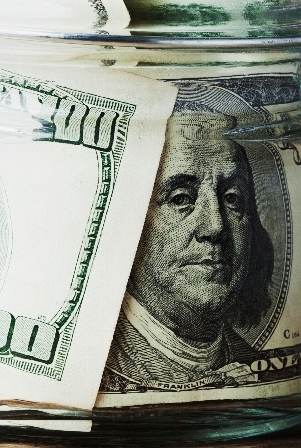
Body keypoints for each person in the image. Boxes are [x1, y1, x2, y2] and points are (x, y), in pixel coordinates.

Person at [101, 113, 275, 393]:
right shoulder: (94, 366)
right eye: (180, 198)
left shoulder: (259, 367)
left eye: (232, 198)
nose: (215, 226)